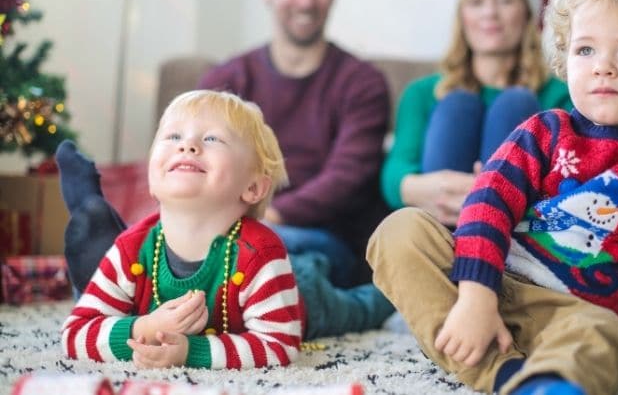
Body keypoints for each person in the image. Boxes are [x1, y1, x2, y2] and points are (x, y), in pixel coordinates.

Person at [367, 0, 618, 395]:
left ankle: (528, 381)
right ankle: (502, 367)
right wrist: (476, 295)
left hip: (572, 314)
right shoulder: (545, 130)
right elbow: (487, 202)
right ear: (567, 62)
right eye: (586, 49)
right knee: (399, 231)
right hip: (486, 280)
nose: (603, 65)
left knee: (609, 339)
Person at [57, 0, 390, 291]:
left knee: (268, 258)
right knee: (185, 241)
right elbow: (189, 154)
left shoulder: (362, 83)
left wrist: (266, 214)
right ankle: (118, 259)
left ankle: (120, 277)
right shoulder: (229, 77)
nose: (306, 0)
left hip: (320, 236)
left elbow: (349, 177)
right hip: (216, 221)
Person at [61, 90, 394, 370]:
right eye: (173, 136)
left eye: (211, 139)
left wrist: (190, 353)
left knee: (357, 308)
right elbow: (74, 334)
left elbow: (279, 345)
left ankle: (391, 290)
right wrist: (144, 327)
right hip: (253, 287)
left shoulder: (260, 254)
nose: (187, 145)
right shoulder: (131, 248)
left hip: (300, 295)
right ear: (151, 176)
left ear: (253, 187)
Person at [381, 0, 571, 226]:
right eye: (476, 2)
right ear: (462, 16)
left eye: (505, 0)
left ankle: (489, 243)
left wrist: (494, 192)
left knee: (515, 103)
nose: (489, 13)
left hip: (517, 228)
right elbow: (395, 173)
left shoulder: (560, 95)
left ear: (528, 14)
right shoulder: (422, 93)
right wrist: (441, 187)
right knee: (457, 104)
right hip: (440, 220)